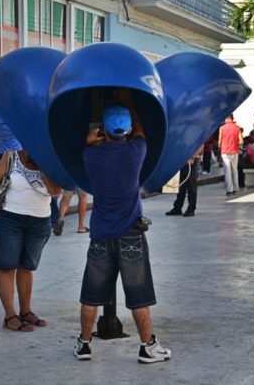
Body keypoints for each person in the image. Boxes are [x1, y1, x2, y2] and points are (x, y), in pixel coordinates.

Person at [74, 89, 171, 363]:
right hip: (131, 234)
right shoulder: (136, 151)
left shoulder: (90, 155)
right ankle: (147, 346)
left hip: (101, 235)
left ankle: (84, 344)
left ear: (102, 128)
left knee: (91, 294)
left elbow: (87, 147)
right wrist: (131, 103)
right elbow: (141, 132)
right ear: (127, 130)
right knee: (139, 295)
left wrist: (89, 139)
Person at [0, 149, 61, 332]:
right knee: (7, 266)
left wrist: (42, 167)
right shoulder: (11, 157)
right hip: (9, 220)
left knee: (27, 267)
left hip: (40, 222)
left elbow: (56, 192)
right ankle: (10, 315)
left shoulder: (49, 160)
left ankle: (26, 311)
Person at [165, 145, 203, 217]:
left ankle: (191, 208)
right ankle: (178, 207)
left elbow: (201, 143)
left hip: (191, 159)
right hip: (182, 157)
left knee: (191, 184)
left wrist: (193, 156)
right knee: (180, 184)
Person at [219, 113, 244, 196]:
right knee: (234, 169)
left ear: (226, 119)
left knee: (227, 170)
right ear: (232, 118)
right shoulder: (238, 128)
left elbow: (219, 142)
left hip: (225, 151)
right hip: (234, 151)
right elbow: (241, 141)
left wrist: (221, 146)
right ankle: (236, 189)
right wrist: (235, 143)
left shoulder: (222, 128)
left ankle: (229, 190)